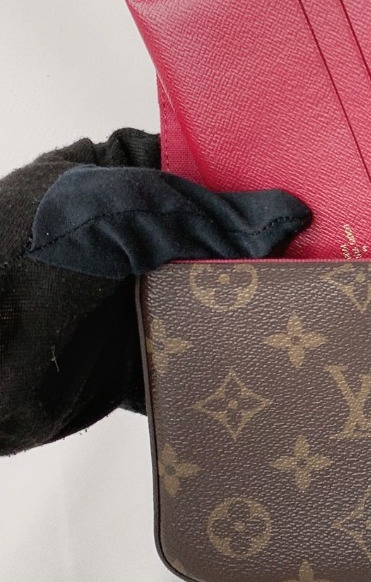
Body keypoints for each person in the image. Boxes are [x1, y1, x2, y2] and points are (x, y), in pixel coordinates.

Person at [0, 129, 310, 456]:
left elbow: (104, 210)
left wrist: (240, 229)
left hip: (188, 195)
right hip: (161, 330)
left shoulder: (18, 264)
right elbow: (101, 371)